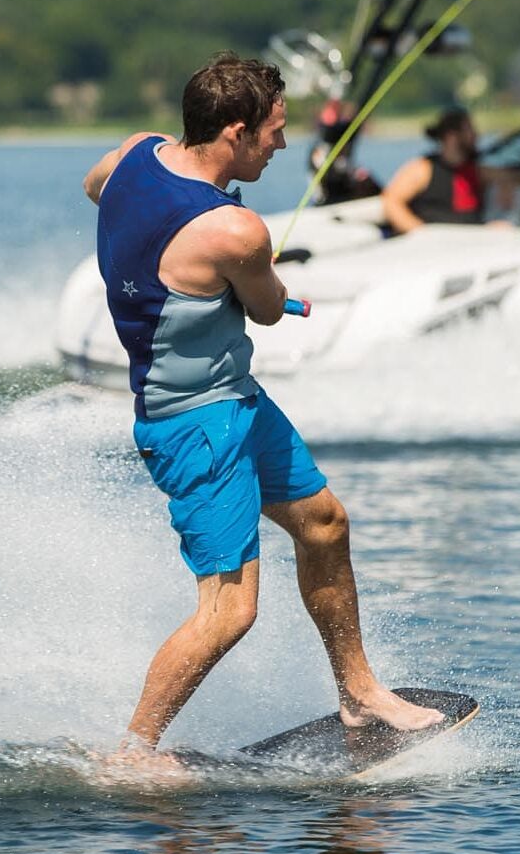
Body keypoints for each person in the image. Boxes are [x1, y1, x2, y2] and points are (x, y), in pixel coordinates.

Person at [82, 52, 442, 758]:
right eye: (273, 132)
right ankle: (131, 752)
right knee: (229, 611)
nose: (281, 145)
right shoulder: (234, 231)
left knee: (324, 524)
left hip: (237, 400)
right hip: (194, 425)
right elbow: (269, 311)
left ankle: (359, 693)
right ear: (236, 133)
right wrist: (266, 283)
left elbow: (98, 188)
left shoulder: (135, 155)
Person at [379, 108, 520, 234]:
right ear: (452, 137)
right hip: (435, 242)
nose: (476, 136)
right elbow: (391, 201)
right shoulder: (423, 169)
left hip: (471, 240)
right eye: (470, 130)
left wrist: (506, 183)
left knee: (504, 228)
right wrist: (421, 233)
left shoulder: (476, 171)